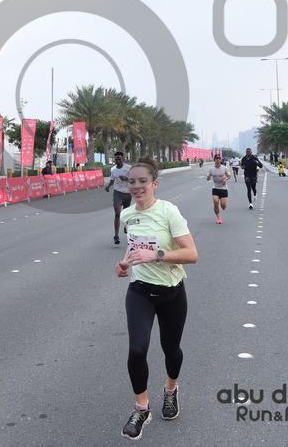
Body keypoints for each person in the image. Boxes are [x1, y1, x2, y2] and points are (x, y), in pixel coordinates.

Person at [115, 157, 198, 440]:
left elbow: (192, 254)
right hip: (140, 291)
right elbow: (134, 248)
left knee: (171, 349)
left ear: (155, 184)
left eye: (143, 181)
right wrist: (124, 264)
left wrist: (157, 255)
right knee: (137, 350)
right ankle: (142, 408)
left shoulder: (168, 212)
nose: (136, 186)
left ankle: (171, 389)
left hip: (171, 292)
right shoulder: (127, 215)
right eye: (131, 181)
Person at [105, 151, 131, 245]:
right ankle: (116, 236)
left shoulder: (129, 168)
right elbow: (112, 179)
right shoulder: (113, 169)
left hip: (127, 193)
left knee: (126, 214)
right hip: (117, 193)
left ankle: (126, 227)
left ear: (123, 159)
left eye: (119, 159)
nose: (118, 161)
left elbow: (134, 179)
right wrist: (108, 186)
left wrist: (126, 178)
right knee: (117, 213)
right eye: (116, 159)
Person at [207, 154, 230, 224]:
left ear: (220, 160)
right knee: (216, 202)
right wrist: (208, 177)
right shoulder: (211, 169)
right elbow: (208, 178)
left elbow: (229, 176)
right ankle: (218, 218)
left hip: (223, 188)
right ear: (214, 160)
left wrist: (225, 179)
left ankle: (222, 204)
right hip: (215, 188)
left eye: (219, 158)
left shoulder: (224, 168)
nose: (218, 159)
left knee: (223, 206)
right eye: (216, 158)